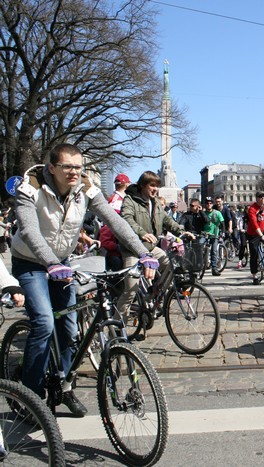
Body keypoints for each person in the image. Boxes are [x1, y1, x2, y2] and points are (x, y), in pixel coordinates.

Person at [11, 144, 158, 416]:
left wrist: (142, 252)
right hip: (31, 262)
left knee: (69, 329)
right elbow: (30, 231)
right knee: (44, 322)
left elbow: (115, 221)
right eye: (67, 167)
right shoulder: (28, 188)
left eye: (78, 167)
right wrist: (51, 262)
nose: (74, 173)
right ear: (51, 168)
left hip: (62, 263)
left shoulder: (86, 189)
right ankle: (31, 398)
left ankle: (65, 386)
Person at [116, 171, 190, 320]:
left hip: (150, 248)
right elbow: (126, 219)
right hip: (133, 249)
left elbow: (167, 220)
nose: (155, 189)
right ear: (143, 185)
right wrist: (142, 233)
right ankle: (118, 326)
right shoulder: (131, 200)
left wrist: (182, 231)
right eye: (152, 185)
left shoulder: (155, 202)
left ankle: (154, 291)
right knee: (131, 289)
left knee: (170, 264)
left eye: (157, 186)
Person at [202, 197, 224, 276]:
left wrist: (222, 233)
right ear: (205, 204)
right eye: (207, 203)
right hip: (205, 234)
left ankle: (214, 268)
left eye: (210, 203)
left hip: (214, 234)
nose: (209, 204)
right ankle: (201, 265)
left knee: (214, 251)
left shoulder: (217, 213)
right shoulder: (203, 213)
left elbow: (222, 223)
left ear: (212, 204)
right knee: (201, 249)